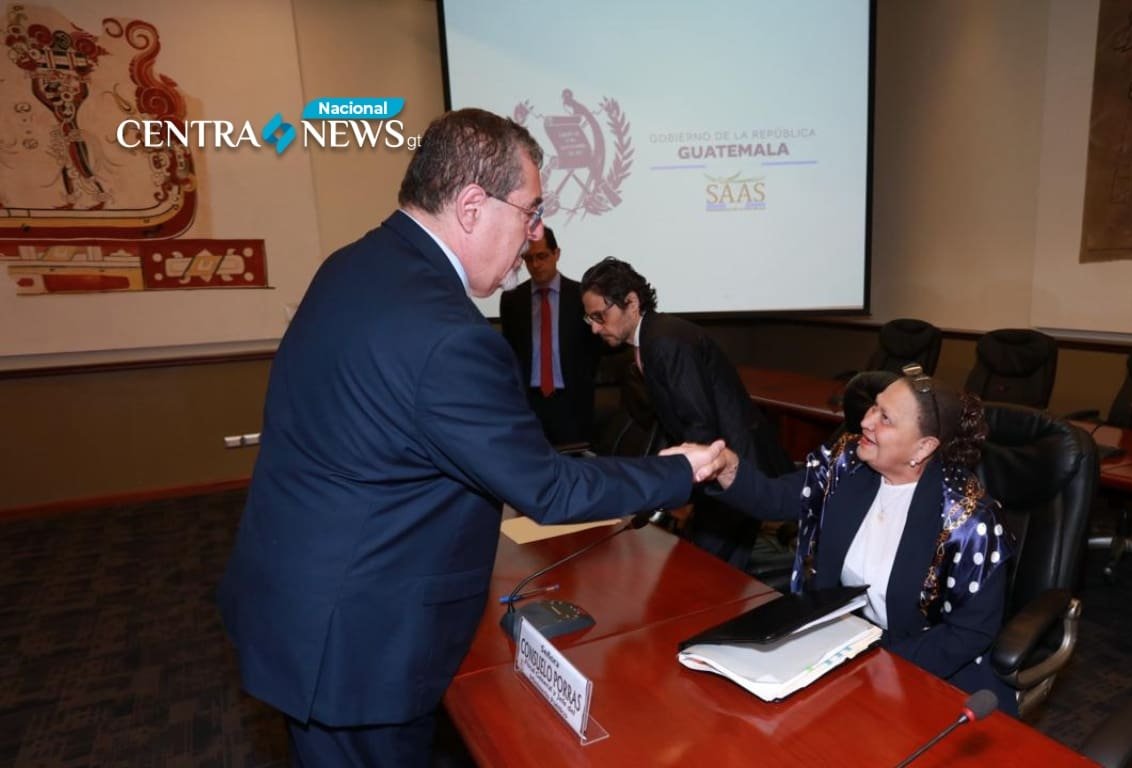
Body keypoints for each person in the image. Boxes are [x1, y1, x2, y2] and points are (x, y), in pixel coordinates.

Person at [216, 109, 725, 764]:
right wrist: (678, 469)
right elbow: (547, 486)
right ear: (472, 205)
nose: (535, 233)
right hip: (358, 644)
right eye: (531, 210)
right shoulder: (448, 334)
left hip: (303, 601)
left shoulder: (354, 265)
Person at [711, 366, 1018, 714]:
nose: (866, 421)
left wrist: (875, 667)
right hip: (844, 644)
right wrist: (728, 469)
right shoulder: (848, 463)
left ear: (923, 446)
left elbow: (968, 633)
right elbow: (777, 497)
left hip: (929, 668)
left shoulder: (969, 520)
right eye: (874, 407)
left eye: (885, 418)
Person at [580, 257, 790, 569]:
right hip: (721, 469)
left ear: (631, 302)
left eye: (600, 316)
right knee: (710, 576)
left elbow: (699, 425)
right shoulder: (655, 337)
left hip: (730, 469)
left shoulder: (664, 342)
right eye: (590, 319)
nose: (596, 328)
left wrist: (683, 493)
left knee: (705, 574)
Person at [499, 226, 601, 444]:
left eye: (542, 256)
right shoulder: (512, 299)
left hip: (572, 400)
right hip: (529, 402)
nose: (535, 265)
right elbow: (510, 352)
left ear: (557, 254)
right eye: (528, 259)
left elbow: (595, 347)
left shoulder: (581, 296)